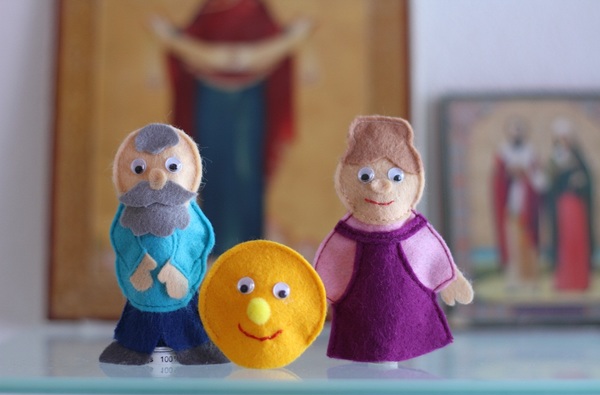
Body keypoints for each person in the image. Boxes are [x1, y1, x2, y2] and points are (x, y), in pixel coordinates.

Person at [151, 0, 313, 254]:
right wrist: (174, 39)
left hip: (250, 102)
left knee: (247, 173)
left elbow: (243, 58)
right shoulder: (211, 10)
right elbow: (221, 57)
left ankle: (249, 250)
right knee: (212, 171)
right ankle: (216, 250)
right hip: (210, 101)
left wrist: (291, 38)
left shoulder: (254, 10)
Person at [314, 116, 473, 364]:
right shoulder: (347, 234)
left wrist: (450, 280)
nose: (381, 186)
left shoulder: (413, 229)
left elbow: (431, 256)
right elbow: (329, 267)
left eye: (396, 177)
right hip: (360, 317)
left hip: (410, 312)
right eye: (365, 176)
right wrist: (317, 296)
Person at [99, 123, 227, 365]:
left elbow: (198, 242)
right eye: (139, 169)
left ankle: (192, 344)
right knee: (140, 314)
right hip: (142, 293)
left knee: (186, 317)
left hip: (181, 291)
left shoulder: (190, 214)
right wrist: (138, 266)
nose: (156, 177)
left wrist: (179, 269)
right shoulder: (126, 216)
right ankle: (133, 345)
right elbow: (122, 244)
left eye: (172, 167)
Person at [492, 117, 543, 290]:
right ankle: (513, 280)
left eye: (519, 130)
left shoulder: (530, 151)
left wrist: (526, 173)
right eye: (513, 131)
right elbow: (498, 178)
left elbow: (539, 179)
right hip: (511, 204)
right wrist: (508, 173)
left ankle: (531, 281)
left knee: (528, 242)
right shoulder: (503, 152)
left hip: (528, 205)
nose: (516, 134)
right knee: (512, 241)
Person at [546, 118, 594, 291]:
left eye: (566, 138)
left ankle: (580, 280)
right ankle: (566, 280)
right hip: (563, 206)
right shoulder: (555, 158)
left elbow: (587, 179)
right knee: (565, 241)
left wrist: (581, 181)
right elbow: (551, 183)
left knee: (578, 241)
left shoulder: (577, 156)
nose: (564, 141)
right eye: (561, 138)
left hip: (577, 206)